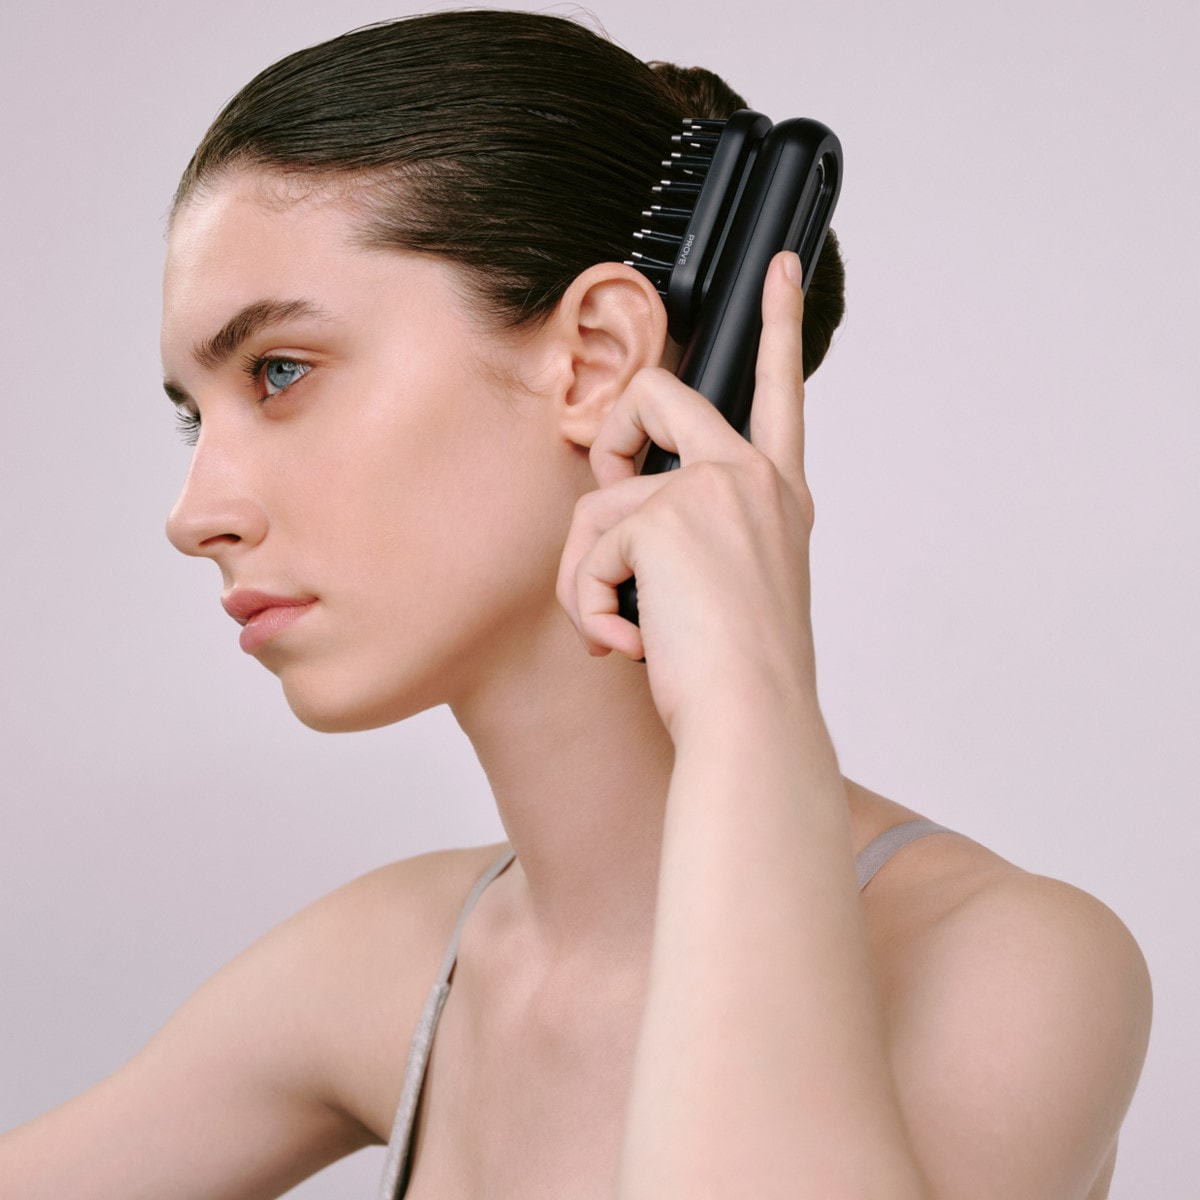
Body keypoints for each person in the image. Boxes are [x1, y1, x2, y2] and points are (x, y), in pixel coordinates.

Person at [0, 10, 1151, 1198]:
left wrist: (751, 704)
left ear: (599, 357)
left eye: (279, 372)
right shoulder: (389, 968)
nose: (195, 514)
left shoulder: (1004, 970)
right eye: (195, 418)